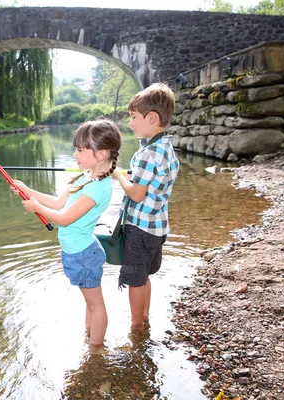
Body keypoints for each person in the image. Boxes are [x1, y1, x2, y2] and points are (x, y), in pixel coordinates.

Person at [11, 119, 122, 351]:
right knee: (90, 303)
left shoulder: (97, 187)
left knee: (96, 305)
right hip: (78, 252)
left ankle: (96, 350)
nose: (74, 155)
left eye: (80, 150)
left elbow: (64, 218)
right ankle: (89, 337)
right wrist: (28, 190)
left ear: (101, 154)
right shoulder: (86, 177)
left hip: (83, 255)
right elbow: (59, 202)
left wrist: (36, 208)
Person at [111, 82, 180, 331]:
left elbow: (137, 195)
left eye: (133, 117)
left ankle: (136, 328)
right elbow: (148, 186)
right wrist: (131, 177)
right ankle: (146, 317)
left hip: (139, 229)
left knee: (134, 281)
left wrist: (119, 175)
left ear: (151, 118)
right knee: (144, 276)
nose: (130, 123)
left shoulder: (146, 155)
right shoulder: (164, 148)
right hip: (157, 227)